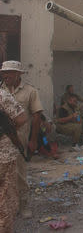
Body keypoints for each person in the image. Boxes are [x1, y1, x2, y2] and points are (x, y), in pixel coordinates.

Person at [0, 60, 43, 218]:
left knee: (20, 173)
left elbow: (37, 115)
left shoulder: (30, 91)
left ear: (18, 74)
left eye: (9, 72)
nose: (5, 75)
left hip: (20, 139)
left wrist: (33, 140)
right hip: (2, 141)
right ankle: (7, 206)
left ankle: (23, 205)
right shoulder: (0, 91)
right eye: (4, 72)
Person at [0, 88, 27, 232]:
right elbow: (21, 118)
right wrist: (7, 130)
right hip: (4, 156)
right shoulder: (2, 95)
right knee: (6, 195)